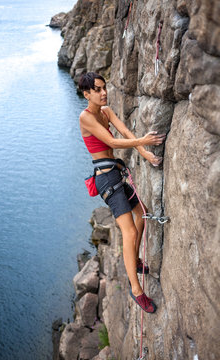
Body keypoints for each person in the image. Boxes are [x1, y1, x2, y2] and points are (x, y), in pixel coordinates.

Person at [79, 72, 166, 313]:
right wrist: (144, 140)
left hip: (115, 174)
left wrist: (145, 152)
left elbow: (125, 133)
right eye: (97, 89)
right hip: (106, 180)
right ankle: (137, 291)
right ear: (87, 94)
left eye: (103, 87)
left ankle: (134, 260)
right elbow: (113, 142)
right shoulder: (85, 118)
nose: (103, 92)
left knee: (142, 213)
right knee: (128, 232)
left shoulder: (105, 112)